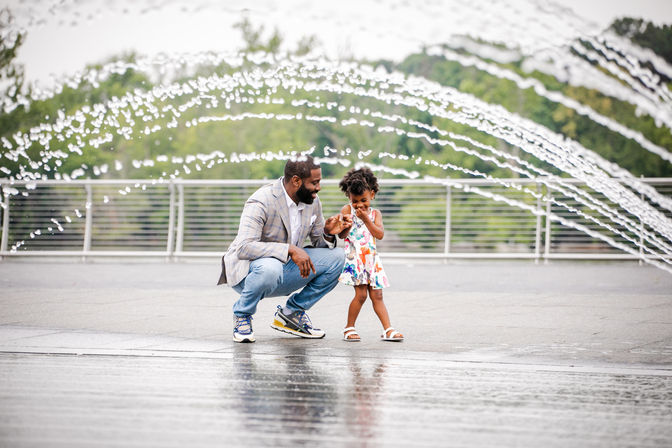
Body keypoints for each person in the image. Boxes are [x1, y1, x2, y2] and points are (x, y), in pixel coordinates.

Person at [218, 155, 352, 343]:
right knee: (269, 267)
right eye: (315, 182)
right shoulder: (261, 201)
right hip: (249, 274)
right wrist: (289, 249)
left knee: (339, 257)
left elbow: (319, 245)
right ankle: (242, 314)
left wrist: (329, 233)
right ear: (296, 181)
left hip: (285, 270)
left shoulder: (312, 202)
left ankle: (292, 313)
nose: (319, 187)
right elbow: (243, 248)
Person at [337, 167, 403, 342]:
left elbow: (379, 234)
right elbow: (342, 236)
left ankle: (388, 329)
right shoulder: (347, 210)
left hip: (371, 260)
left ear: (372, 195)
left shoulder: (375, 214)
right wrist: (346, 225)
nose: (359, 205)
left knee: (378, 295)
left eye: (363, 200)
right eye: (355, 201)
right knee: (361, 295)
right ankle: (349, 328)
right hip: (356, 259)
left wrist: (366, 219)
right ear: (349, 198)